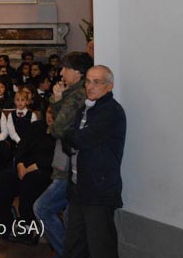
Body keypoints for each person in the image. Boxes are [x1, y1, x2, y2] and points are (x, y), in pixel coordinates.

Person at [32, 51, 94, 256]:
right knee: (69, 216)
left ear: (77, 72)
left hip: (69, 165)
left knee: (42, 208)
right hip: (69, 163)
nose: (61, 72)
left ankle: (66, 252)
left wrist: (58, 101)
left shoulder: (78, 95)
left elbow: (58, 129)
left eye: (65, 68)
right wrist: (58, 99)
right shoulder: (74, 91)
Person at [62, 65, 125, 258]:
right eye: (88, 81)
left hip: (99, 190)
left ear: (109, 86)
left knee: (101, 248)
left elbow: (80, 139)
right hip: (78, 188)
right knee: (74, 247)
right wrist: (72, 138)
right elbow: (66, 138)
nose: (90, 86)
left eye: (96, 82)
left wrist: (73, 138)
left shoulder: (111, 112)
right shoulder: (85, 108)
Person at [0, 106, 55, 245]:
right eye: (49, 112)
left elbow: (57, 157)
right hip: (25, 167)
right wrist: (20, 163)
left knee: (31, 180)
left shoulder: (63, 131)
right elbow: (22, 146)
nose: (51, 116)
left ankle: (28, 227)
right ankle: (2, 222)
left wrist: (37, 166)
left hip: (47, 171)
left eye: (55, 113)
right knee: (6, 177)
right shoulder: (36, 126)